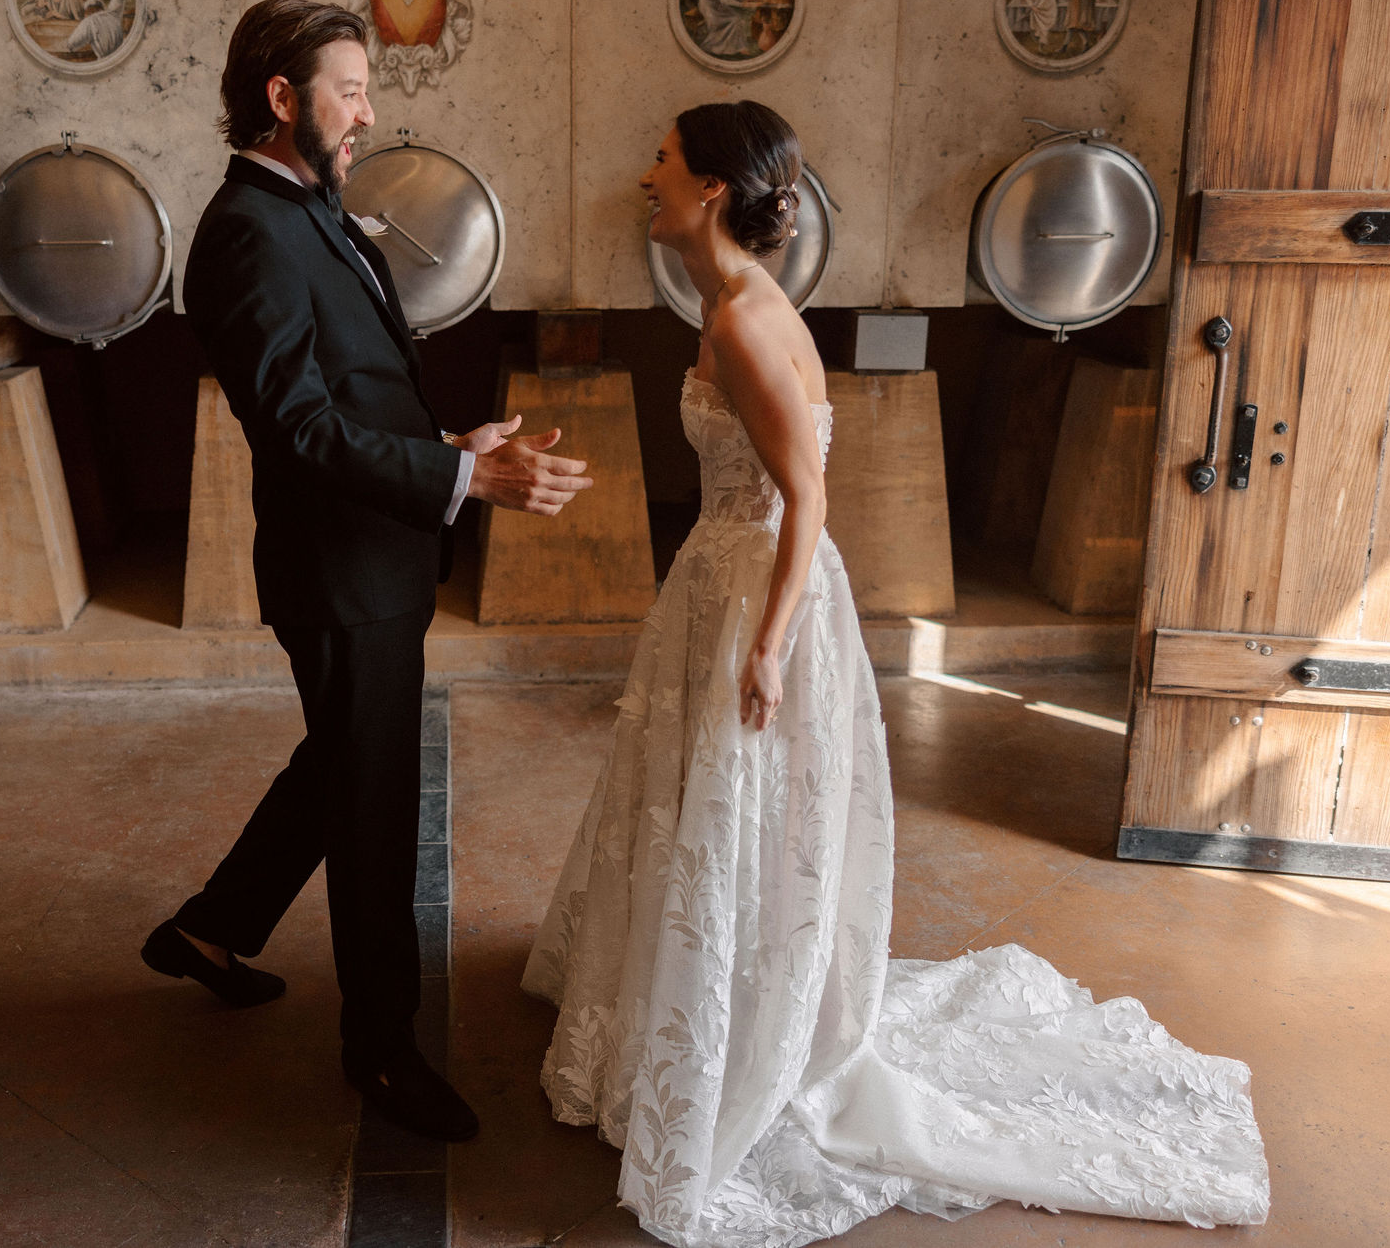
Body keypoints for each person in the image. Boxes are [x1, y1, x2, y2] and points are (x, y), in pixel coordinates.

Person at [521, 100, 1270, 1247]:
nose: (645, 175)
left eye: (662, 160)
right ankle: (684, 997)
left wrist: (765, 644)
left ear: (712, 190)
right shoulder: (725, 304)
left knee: (740, 810)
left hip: (757, 590)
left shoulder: (742, 323)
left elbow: (805, 499)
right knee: (708, 813)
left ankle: (741, 1031)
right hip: (722, 581)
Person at [143, 0, 593, 1143]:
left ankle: (208, 929)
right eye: (347, 88)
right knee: (376, 798)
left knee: (343, 761)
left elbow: (349, 392)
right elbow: (293, 427)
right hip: (339, 568)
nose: (366, 109)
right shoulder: (247, 228)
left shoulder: (310, 207)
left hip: (377, 548)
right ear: (281, 97)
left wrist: (450, 450)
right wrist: (462, 487)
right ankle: (381, 1050)